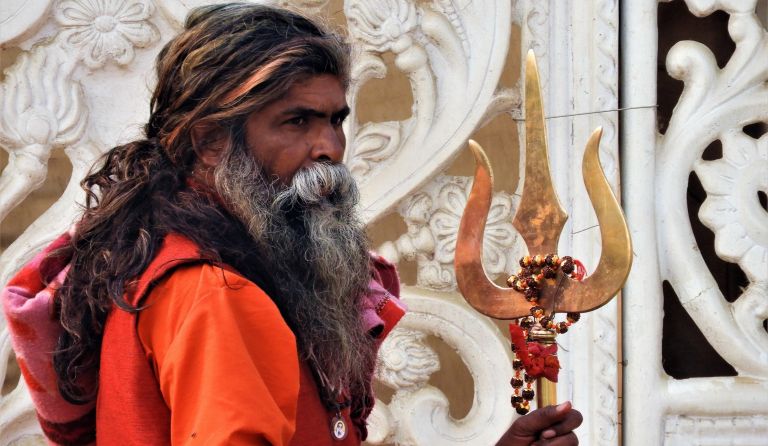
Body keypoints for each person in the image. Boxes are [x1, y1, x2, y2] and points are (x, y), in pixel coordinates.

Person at [2, 3, 582, 445]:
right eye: (296, 121)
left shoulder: (187, 263)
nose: (328, 147)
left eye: (335, 120)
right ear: (208, 142)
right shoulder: (215, 294)